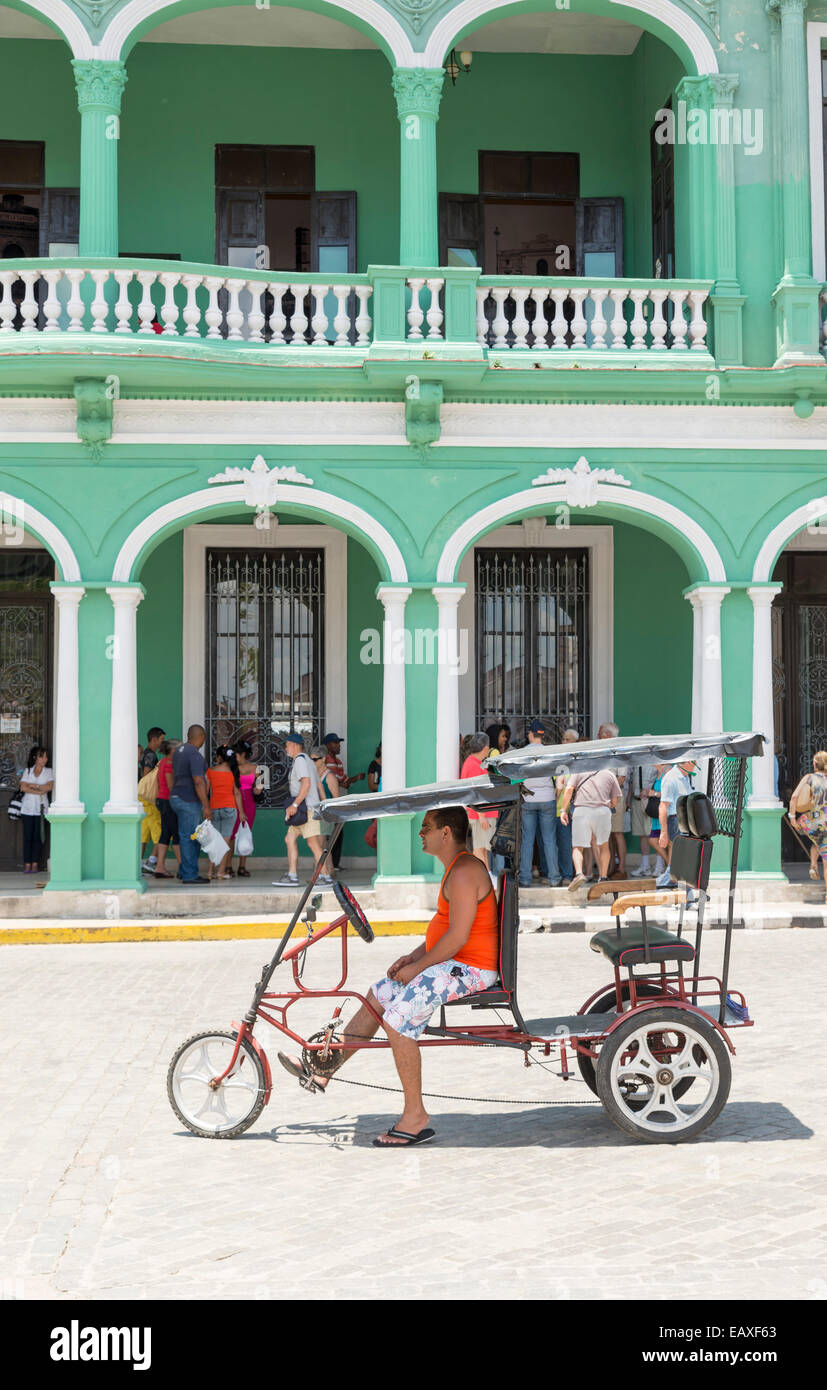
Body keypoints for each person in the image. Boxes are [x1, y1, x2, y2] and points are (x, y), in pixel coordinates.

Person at [277, 806, 499, 1146]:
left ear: (446, 834)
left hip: (472, 969)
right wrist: (412, 957)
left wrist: (418, 967)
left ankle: (415, 1116)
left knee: (397, 1020)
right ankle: (324, 1068)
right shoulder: (455, 869)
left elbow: (456, 939)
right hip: (456, 962)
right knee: (380, 993)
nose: (420, 833)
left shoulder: (465, 871)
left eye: (426, 827)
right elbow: (444, 936)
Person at [273, 732, 331, 887]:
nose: (286, 749)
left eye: (286, 746)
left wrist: (294, 805)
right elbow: (318, 785)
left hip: (306, 810)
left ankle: (325, 876)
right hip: (304, 810)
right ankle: (292, 875)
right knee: (290, 839)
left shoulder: (300, 761)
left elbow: (307, 784)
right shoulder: (309, 761)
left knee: (313, 844)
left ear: (293, 745)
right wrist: (324, 804)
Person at [559, 764, 621, 890]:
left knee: (577, 847)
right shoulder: (609, 774)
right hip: (602, 811)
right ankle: (603, 877)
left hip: (582, 811)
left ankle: (579, 874)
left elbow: (569, 789)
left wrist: (563, 810)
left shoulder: (579, 771)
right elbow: (614, 801)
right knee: (604, 846)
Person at [519, 719, 561, 889]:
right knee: (550, 840)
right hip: (548, 798)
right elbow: (557, 775)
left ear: (530, 734)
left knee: (527, 840)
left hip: (528, 799)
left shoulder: (523, 753)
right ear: (542, 736)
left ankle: (525, 878)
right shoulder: (550, 752)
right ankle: (554, 878)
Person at [168, 725, 211, 885]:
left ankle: (184, 870)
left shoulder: (179, 751)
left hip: (176, 797)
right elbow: (198, 781)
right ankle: (190, 874)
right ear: (202, 737)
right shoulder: (194, 754)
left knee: (186, 836)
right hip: (188, 801)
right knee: (190, 838)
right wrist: (206, 806)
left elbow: (173, 775)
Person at [789, 751, 827, 903]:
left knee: (819, 841)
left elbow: (794, 797)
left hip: (812, 823)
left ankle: (813, 865)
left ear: (814, 764)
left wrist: (792, 818)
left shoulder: (809, 778)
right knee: (824, 851)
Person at [460, 731, 498, 878]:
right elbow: (478, 792)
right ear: (485, 748)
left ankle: (486, 876)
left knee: (482, 848)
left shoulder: (471, 762)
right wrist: (482, 815)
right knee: (480, 848)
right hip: (481, 814)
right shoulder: (475, 766)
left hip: (480, 813)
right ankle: (485, 877)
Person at [657, 758, 698, 889]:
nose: (696, 765)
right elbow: (663, 806)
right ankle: (664, 888)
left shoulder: (684, 777)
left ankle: (683, 895)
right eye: (694, 762)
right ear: (686, 762)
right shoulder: (671, 779)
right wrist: (663, 833)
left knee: (682, 861)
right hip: (676, 822)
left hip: (685, 822)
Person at [206, 746, 246, 881]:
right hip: (230, 808)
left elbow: (206, 791)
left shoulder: (210, 771)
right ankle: (221, 872)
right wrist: (241, 812)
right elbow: (237, 793)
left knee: (214, 841)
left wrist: (206, 808)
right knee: (225, 842)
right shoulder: (233, 771)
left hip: (214, 808)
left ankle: (210, 871)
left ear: (219, 757)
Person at [597, 722, 629, 880]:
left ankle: (621, 868)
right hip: (602, 798)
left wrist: (610, 795)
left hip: (615, 797)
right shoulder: (602, 752)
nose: (597, 735)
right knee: (606, 834)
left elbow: (621, 778)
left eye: (600, 732)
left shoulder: (620, 752)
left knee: (617, 833)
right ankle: (609, 867)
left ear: (607, 735)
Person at [18, 745, 53, 874]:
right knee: (28, 837)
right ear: (35, 758)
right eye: (41, 756)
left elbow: (48, 787)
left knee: (38, 837)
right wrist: (39, 789)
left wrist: (32, 785)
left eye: (45, 756)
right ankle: (27, 863)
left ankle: (35, 864)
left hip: (41, 810)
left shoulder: (49, 772)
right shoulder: (27, 771)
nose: (44, 759)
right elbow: (23, 788)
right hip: (27, 809)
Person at [231, 741, 260, 877]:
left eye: (236, 753)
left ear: (242, 754)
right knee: (231, 835)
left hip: (249, 802)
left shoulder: (255, 768)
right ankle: (228, 865)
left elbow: (261, 785)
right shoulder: (232, 768)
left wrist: (258, 789)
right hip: (234, 802)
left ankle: (242, 866)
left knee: (246, 833)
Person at [554, 728, 578, 884]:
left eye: (567, 739)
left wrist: (557, 803)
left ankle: (568, 874)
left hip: (565, 808)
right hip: (567, 809)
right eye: (563, 739)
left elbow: (559, 786)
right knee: (565, 843)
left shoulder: (567, 762)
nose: (564, 742)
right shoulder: (565, 761)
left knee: (566, 843)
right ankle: (569, 873)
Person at [153, 738, 181, 878]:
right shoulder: (169, 764)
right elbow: (171, 786)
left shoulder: (162, 762)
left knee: (166, 833)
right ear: (173, 750)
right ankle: (183, 867)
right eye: (179, 748)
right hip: (169, 801)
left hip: (162, 800)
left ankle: (160, 867)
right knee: (176, 834)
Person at [630, 756, 661, 878]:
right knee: (642, 834)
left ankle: (659, 866)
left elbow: (658, 783)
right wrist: (629, 800)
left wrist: (650, 792)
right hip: (637, 800)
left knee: (654, 835)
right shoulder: (636, 762)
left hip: (650, 802)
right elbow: (632, 782)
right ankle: (645, 866)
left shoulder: (656, 763)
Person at [312, 744, 341, 869]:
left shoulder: (329, 777)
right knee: (321, 846)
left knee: (320, 845)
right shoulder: (313, 775)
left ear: (323, 759)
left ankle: (319, 874)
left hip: (326, 815)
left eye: (315, 759)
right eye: (310, 759)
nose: (312, 762)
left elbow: (336, 799)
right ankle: (329, 872)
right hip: (315, 814)